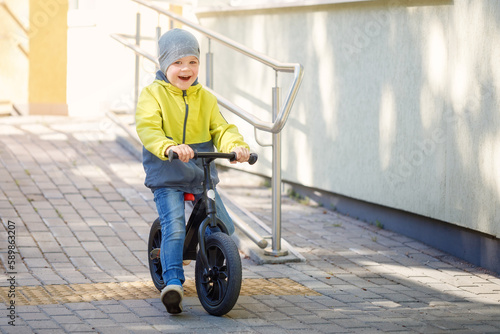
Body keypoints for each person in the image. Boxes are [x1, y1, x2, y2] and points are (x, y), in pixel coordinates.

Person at [135, 28, 250, 314]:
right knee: (173, 226)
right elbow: (148, 128)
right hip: (168, 174)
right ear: (163, 65)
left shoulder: (206, 99)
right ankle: (173, 282)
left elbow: (222, 128)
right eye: (177, 62)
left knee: (225, 227)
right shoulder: (153, 95)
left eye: (192, 62)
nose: (186, 68)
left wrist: (237, 146)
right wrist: (168, 146)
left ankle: (208, 265)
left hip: (200, 174)